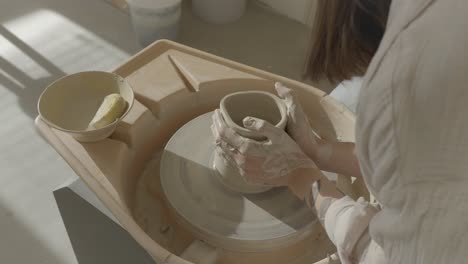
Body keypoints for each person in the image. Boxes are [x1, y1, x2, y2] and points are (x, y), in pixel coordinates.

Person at [211, 0, 468, 263]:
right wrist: (318, 152)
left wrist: (300, 175)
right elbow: (422, 156)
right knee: (350, 96)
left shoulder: (403, 85)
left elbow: (392, 256)